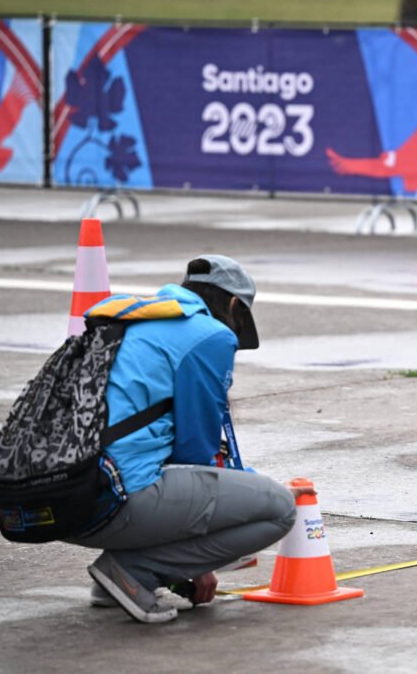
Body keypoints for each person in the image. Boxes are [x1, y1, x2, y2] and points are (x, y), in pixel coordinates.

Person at [68, 254, 298, 624]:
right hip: (111, 501)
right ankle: (135, 572)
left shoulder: (135, 321)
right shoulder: (210, 335)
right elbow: (196, 451)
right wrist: (190, 562)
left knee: (139, 464)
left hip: (62, 503)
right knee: (278, 507)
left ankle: (119, 581)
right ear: (235, 305)